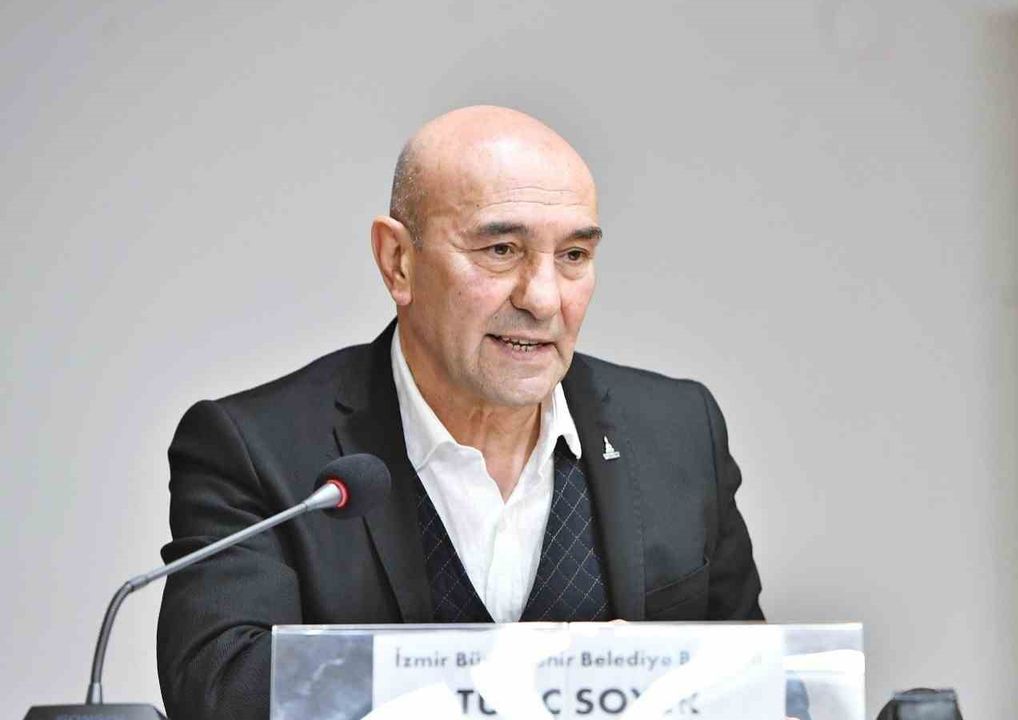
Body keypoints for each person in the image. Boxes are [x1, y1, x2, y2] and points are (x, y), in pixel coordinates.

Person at [156, 106, 763, 719]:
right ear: (398, 261)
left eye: (574, 255)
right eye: (501, 249)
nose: (543, 298)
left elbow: (752, 684)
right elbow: (223, 690)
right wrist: (530, 671)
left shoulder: (680, 429)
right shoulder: (253, 447)